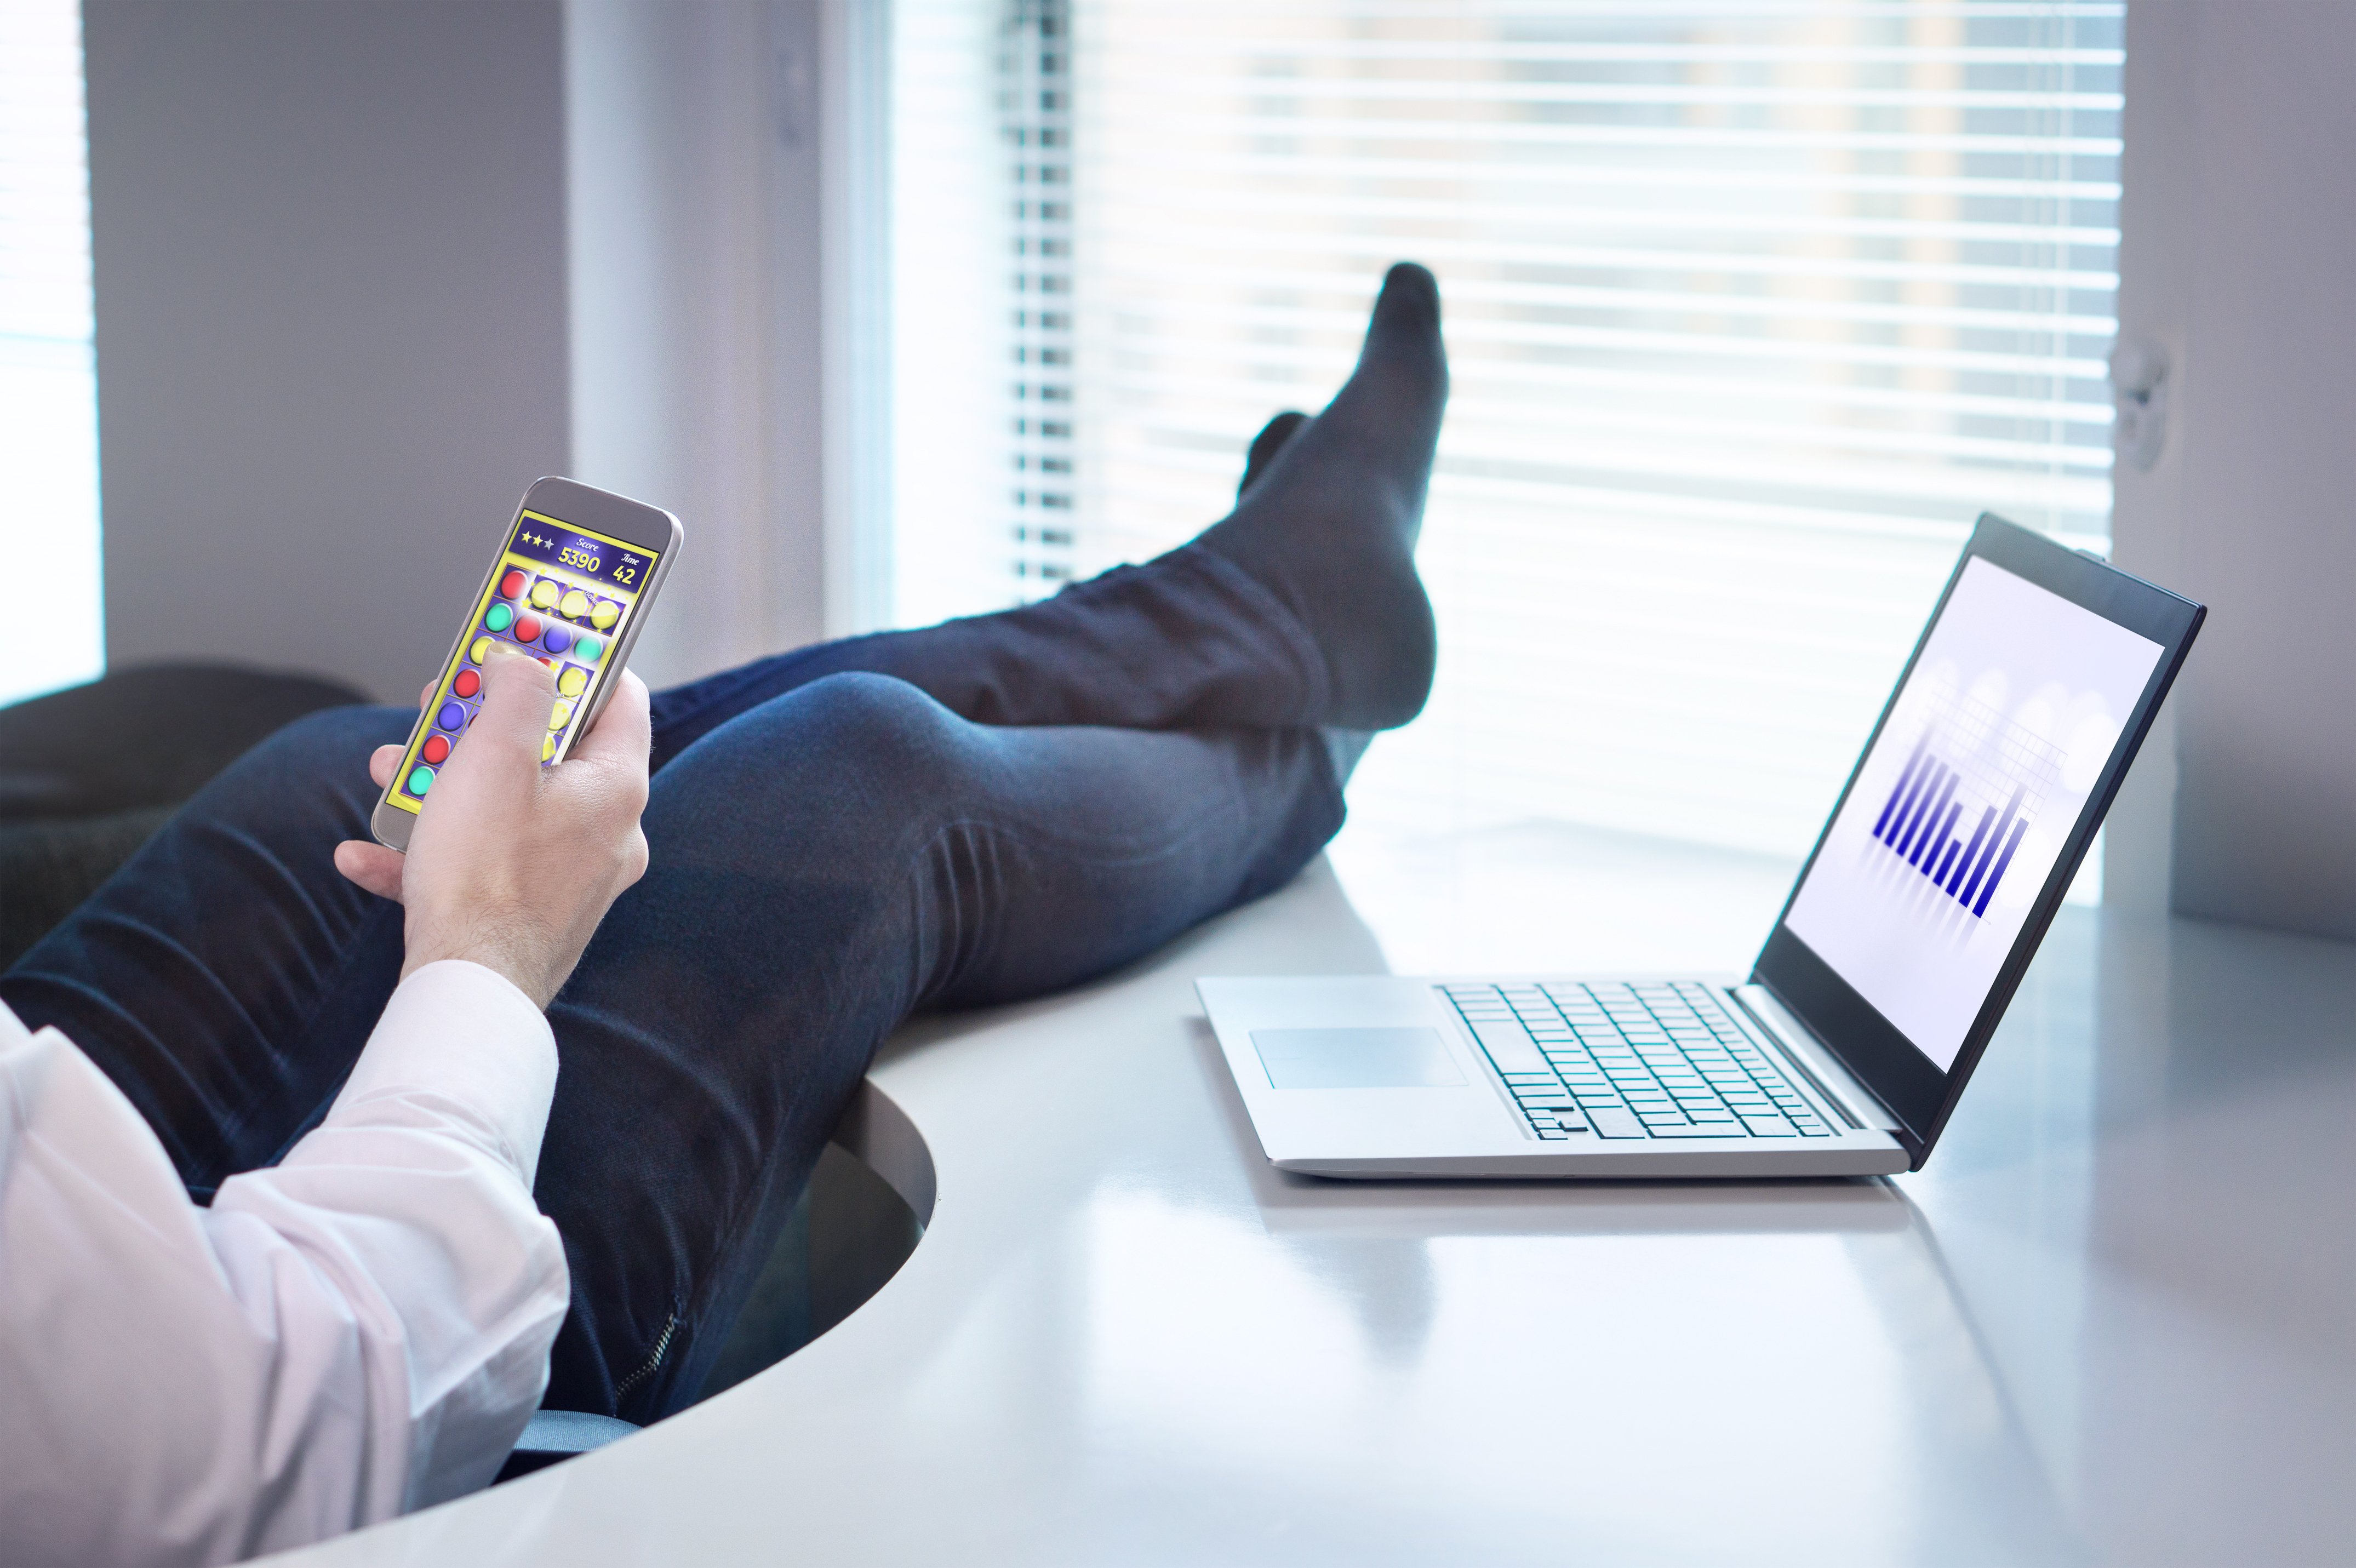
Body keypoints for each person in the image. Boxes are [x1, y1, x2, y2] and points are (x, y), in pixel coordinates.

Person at [0, 262, 1448, 1566]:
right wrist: (485, 951)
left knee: (345, 776)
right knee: (851, 772)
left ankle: (1268, 621)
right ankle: (1285, 699)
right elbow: (315, 1429)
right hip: (381, 1440)